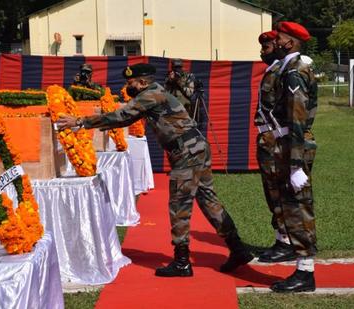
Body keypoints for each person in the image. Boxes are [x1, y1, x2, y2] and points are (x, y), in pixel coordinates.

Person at [56, 63, 253, 277]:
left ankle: (182, 261)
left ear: (142, 82)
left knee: (180, 205)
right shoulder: (155, 93)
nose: (127, 86)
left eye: (130, 83)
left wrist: (80, 121)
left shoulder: (151, 95)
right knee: (208, 200)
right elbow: (128, 118)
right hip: (195, 147)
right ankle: (238, 249)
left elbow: (122, 116)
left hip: (186, 152)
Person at [268, 21, 319, 293]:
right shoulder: (287, 68)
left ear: (290, 42)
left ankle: (305, 273)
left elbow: (298, 118)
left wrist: (296, 163)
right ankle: (302, 269)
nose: (275, 42)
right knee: (291, 206)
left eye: (279, 38)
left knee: (299, 207)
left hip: (294, 146)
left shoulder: (295, 72)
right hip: (287, 144)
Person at [254, 30, 297, 264]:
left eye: (267, 47)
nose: (262, 52)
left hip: (276, 139)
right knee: (271, 193)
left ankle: (287, 242)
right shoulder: (272, 71)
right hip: (266, 138)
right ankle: (281, 238)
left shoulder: (283, 71)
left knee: (279, 192)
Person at [164, 59, 207, 130]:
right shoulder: (169, 77)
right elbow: (166, 93)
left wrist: (179, 81)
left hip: (185, 109)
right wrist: (170, 81)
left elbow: (189, 93)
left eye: (179, 67)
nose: (177, 70)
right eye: (175, 68)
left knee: (186, 130)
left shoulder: (188, 76)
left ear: (182, 67)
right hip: (172, 109)